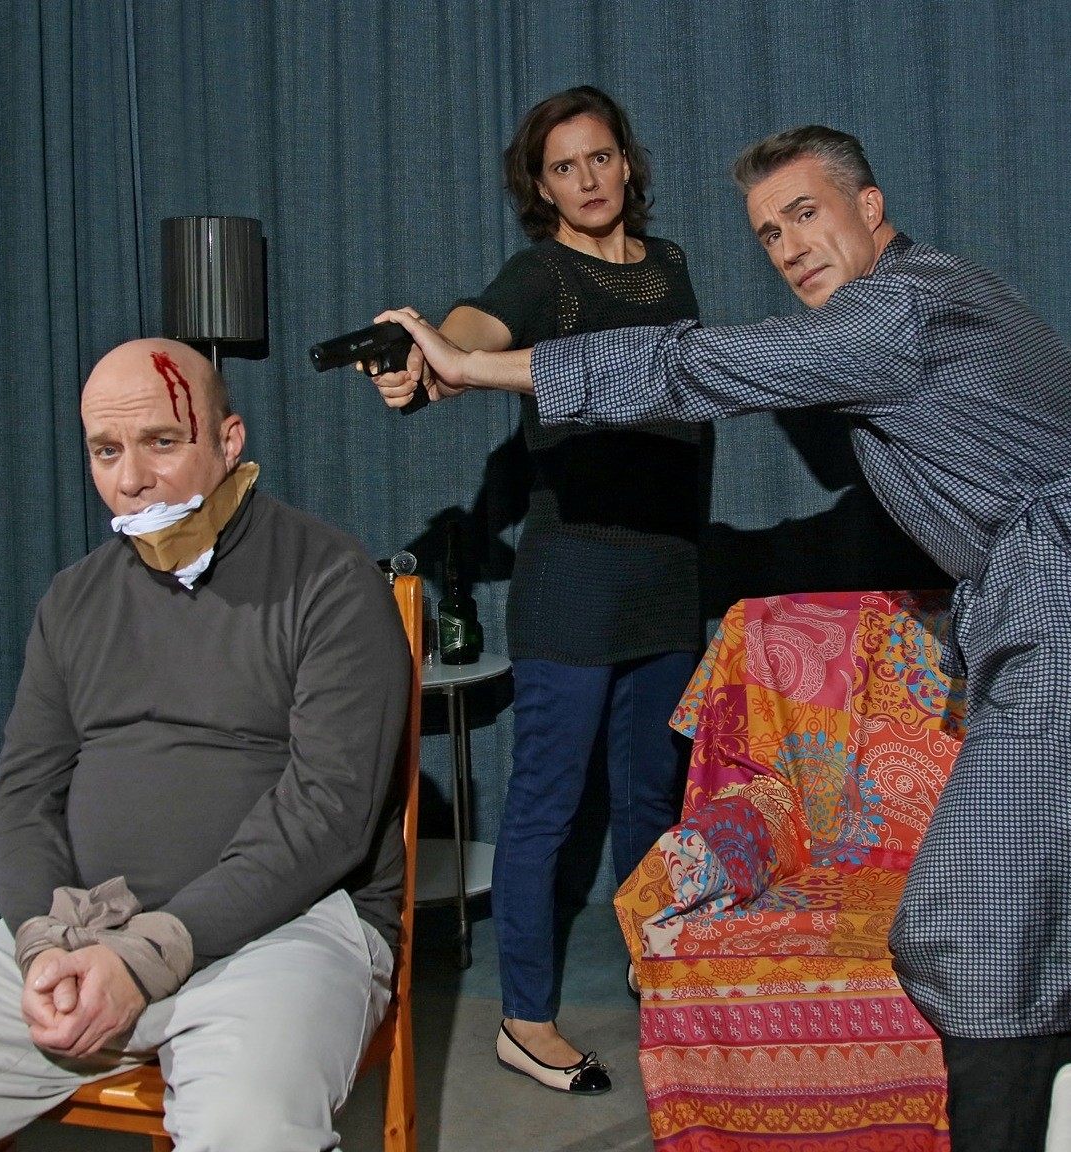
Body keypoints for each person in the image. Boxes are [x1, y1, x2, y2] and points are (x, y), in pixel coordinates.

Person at [376, 125, 1071, 1150]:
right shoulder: (943, 290)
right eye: (768, 233)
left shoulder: (895, 310)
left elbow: (692, 364)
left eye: (805, 214)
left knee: (976, 927)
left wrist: (476, 369)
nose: (788, 247)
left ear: (869, 206)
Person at [0, 338, 409, 1152]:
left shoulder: (329, 580)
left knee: (248, 1129)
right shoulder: (75, 599)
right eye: (106, 451)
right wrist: (41, 944)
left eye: (162, 442)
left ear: (229, 441)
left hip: (284, 931)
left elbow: (328, 815)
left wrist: (148, 956)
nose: (131, 478)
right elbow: (24, 797)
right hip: (85, 926)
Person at [371, 86, 701, 1095]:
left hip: (667, 574)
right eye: (564, 167)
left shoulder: (670, 265)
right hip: (574, 584)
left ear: (627, 162)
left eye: (600, 157)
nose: (587, 180)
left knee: (652, 798)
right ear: (541, 186)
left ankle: (657, 976)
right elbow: (474, 328)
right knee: (548, 808)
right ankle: (524, 1020)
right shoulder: (542, 274)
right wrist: (428, 363)